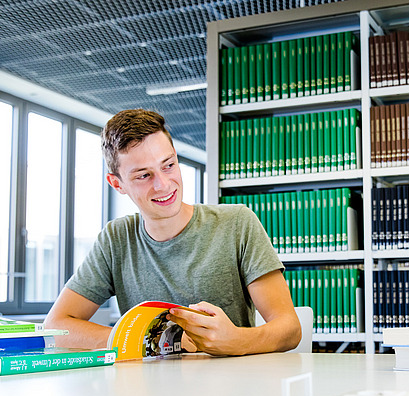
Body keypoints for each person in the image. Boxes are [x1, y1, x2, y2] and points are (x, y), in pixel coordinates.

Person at [44, 108, 301, 355]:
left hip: (230, 389)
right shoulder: (116, 239)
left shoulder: (237, 223)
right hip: (147, 392)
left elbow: (289, 329)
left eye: (168, 165)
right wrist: (154, 340)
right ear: (117, 183)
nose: (163, 185)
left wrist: (236, 341)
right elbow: (56, 327)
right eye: (144, 175)